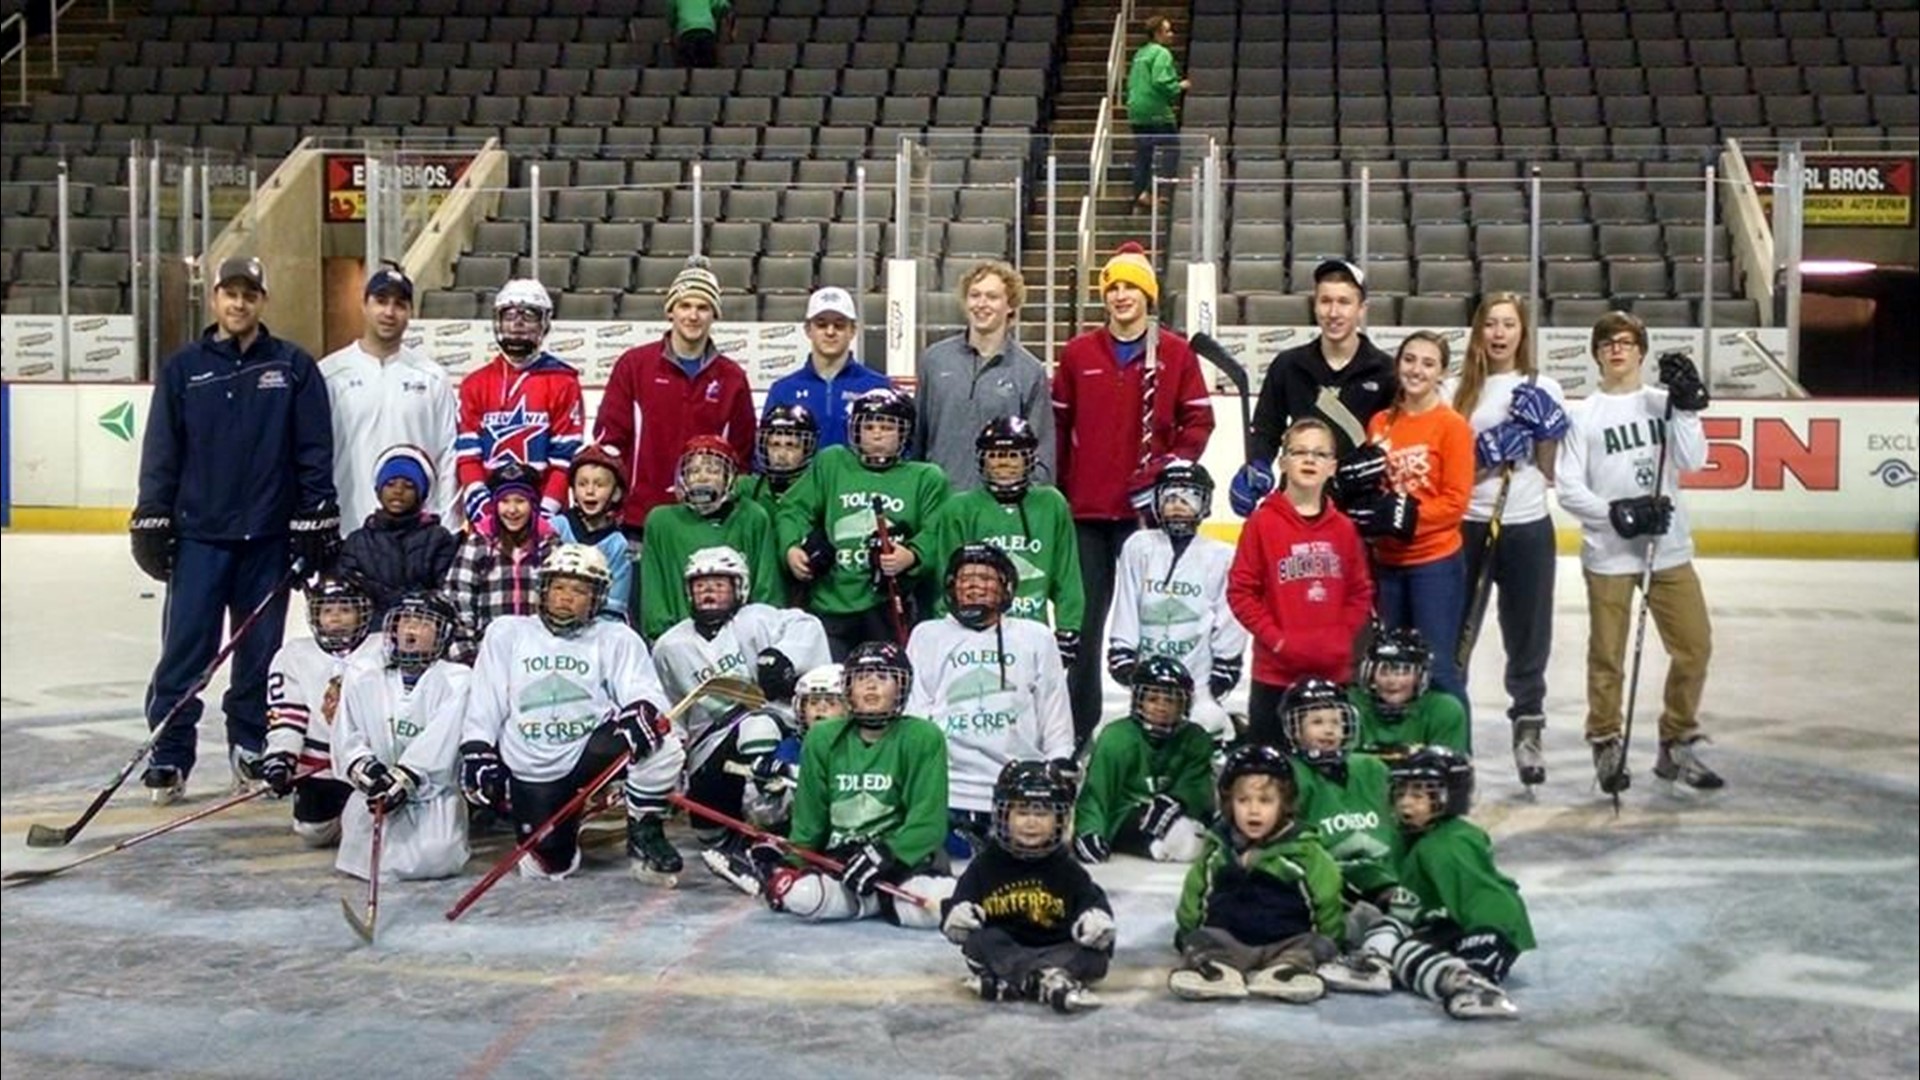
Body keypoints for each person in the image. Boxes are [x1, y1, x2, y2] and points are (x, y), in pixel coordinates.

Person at [130, 255, 341, 803]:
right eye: (231, 293)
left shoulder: (293, 367)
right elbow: (162, 451)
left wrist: (316, 511)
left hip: (267, 540)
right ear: (215, 298)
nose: (239, 303)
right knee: (185, 651)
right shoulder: (184, 369)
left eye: (250, 294)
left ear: (262, 300)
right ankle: (170, 752)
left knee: (258, 653)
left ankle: (249, 742)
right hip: (199, 537)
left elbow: (313, 450)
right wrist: (152, 512)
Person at [1052, 242, 1215, 748]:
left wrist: (1167, 471)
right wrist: (1060, 492)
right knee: (1084, 627)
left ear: (1149, 295)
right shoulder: (1079, 353)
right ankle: (1078, 730)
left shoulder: (1175, 353)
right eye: (1113, 287)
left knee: (1153, 622)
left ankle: (1157, 723)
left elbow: (1199, 421)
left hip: (1149, 517)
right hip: (1087, 514)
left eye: (1132, 287)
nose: (1121, 295)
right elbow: (1057, 428)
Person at [1555, 312, 1721, 793]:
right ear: (1596, 353)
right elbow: (1568, 487)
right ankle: (1605, 739)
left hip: (1667, 549)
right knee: (1607, 655)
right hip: (1609, 553)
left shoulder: (1662, 404)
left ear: (1641, 352)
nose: (1617, 349)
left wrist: (1687, 409)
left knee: (1694, 647)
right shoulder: (1582, 415)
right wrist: (1616, 514)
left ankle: (1677, 739)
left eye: (1627, 342)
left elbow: (1693, 460)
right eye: (1608, 342)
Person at [460, 544, 686, 882]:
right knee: (549, 865)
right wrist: (477, 749)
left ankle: (643, 826)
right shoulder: (507, 632)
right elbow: (486, 698)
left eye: (579, 590)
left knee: (661, 743)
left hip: (589, 751)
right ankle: (581, 818)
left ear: (597, 598)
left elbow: (644, 691)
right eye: (559, 587)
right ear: (544, 589)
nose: (566, 597)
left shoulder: (615, 637)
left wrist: (641, 708)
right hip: (531, 763)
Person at [1446, 293, 1568, 784]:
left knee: (1528, 634)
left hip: (1527, 526)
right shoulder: (1453, 392)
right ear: (1478, 331)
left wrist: (1547, 433)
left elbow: (1550, 471)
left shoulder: (1544, 386)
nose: (1499, 334)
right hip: (1466, 526)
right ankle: (1452, 733)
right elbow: (1448, 474)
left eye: (1509, 324)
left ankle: (1528, 728)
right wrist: (1484, 455)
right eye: (1490, 324)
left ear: (1523, 332)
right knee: (1456, 635)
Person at [755, 642, 955, 929]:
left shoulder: (923, 737)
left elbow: (928, 824)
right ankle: (876, 901)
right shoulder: (822, 738)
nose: (871, 685)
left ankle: (871, 900)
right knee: (802, 897)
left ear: (901, 687)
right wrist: (790, 865)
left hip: (904, 862)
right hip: (843, 861)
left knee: (943, 904)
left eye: (883, 677)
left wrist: (888, 855)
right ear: (848, 689)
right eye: (861, 678)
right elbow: (810, 822)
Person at [651, 546, 829, 847]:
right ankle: (733, 835)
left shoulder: (756, 619)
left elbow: (807, 625)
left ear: (740, 588)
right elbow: (670, 708)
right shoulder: (670, 646)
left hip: (776, 730)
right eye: (700, 585)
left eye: (718, 584)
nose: (708, 591)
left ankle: (771, 814)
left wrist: (783, 657)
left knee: (757, 726)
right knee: (710, 834)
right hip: (710, 745)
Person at [905, 543, 1073, 853]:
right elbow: (915, 718)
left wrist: (1059, 763)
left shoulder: (1036, 636)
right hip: (948, 790)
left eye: (985, 579)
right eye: (965, 579)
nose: (974, 587)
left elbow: (1054, 711)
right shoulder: (927, 635)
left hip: (1019, 792)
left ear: (1006, 587)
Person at [1352, 331, 1477, 725]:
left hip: (1434, 565)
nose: (1416, 370)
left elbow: (1455, 503)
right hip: (1387, 563)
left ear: (1442, 372)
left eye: (1428, 363)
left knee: (1436, 667)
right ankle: (1406, 747)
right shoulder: (1380, 422)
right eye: (1409, 359)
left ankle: (1456, 752)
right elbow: (1376, 489)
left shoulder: (1452, 426)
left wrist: (1406, 519)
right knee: (1394, 667)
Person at [1226, 419, 1374, 748]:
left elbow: (1360, 591)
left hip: (1331, 673)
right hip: (1275, 674)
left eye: (1320, 454)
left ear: (1332, 467)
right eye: (1299, 452)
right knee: (1270, 768)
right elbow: (1241, 592)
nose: (1310, 460)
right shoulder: (1262, 524)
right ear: (1283, 462)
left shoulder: (1343, 529)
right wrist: (1275, 639)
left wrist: (1342, 636)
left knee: (1327, 766)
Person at [1355, 746, 1532, 1019]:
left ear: (1452, 797)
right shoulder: (1413, 836)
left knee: (1409, 951)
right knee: (1387, 926)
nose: (1405, 803)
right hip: (1449, 922)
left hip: (1489, 928)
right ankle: (1377, 964)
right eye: (1401, 793)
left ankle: (1470, 983)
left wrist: (1485, 944)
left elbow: (1485, 896)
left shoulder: (1449, 845)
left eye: (1418, 795)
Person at [777, 388, 950, 657]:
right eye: (868, 427)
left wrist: (913, 555)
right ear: (855, 430)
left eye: (887, 427)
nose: (877, 434)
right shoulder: (832, 462)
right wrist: (791, 546)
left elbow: (937, 530)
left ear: (904, 432)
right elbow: (793, 509)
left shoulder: (926, 477)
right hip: (830, 600)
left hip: (887, 604)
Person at [1168, 743, 1344, 1003]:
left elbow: (1327, 898)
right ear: (1228, 803)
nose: (1253, 810)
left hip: (1288, 939)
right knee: (1199, 939)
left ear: (1285, 803)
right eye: (1243, 801)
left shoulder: (1304, 851)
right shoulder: (1219, 848)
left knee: (1315, 945)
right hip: (1232, 940)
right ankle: (1217, 971)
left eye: (1265, 801)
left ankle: (1287, 971)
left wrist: (1328, 938)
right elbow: (1196, 893)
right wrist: (1188, 931)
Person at [594, 255, 756, 534]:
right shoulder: (634, 366)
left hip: (707, 520)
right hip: (640, 519)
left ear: (715, 314)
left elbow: (742, 456)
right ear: (670, 311)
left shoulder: (732, 378)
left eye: (703, 307)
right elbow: (609, 442)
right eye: (685, 305)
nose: (693, 316)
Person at [941, 760, 1114, 1013]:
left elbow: (1091, 902)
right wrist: (958, 916)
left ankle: (1017, 982)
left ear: (1060, 818)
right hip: (1006, 949)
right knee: (982, 942)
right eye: (1022, 813)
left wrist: (1095, 921)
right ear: (1003, 815)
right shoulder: (986, 864)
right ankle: (1046, 981)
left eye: (1042, 814)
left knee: (1095, 959)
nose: (1031, 822)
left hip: (1055, 950)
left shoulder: (1067, 868)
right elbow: (959, 903)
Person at [1234, 260, 1398, 516]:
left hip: (1359, 510)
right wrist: (1258, 464)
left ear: (1361, 309)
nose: (1333, 312)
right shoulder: (1288, 365)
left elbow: (1397, 441)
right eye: (1325, 301)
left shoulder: (1386, 372)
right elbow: (1266, 430)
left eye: (1344, 302)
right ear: (1315, 305)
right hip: (1296, 506)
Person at [332, 590, 471, 881]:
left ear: (443, 634)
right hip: (374, 794)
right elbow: (346, 732)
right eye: (405, 621)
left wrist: (407, 776)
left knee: (435, 855)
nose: (410, 630)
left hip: (430, 796)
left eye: (423, 623)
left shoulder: (458, 680)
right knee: (361, 856)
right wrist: (366, 770)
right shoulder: (363, 673)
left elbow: (442, 739)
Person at [919, 417, 1083, 661]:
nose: (1003, 463)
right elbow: (948, 578)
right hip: (975, 633)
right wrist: (948, 628)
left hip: (1032, 633)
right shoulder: (959, 508)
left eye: (1013, 455)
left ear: (1029, 459)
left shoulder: (1051, 504)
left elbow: (1067, 576)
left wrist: (1069, 627)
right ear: (982, 460)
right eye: (995, 455)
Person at [1108, 460, 1247, 743]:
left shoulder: (1221, 557)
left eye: (1189, 497)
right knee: (1125, 737)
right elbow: (1127, 604)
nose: (1177, 505)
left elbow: (1229, 615)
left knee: (1209, 725)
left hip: (1198, 685)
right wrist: (1122, 649)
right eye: (1169, 497)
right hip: (1147, 685)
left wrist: (1226, 661)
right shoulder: (1139, 546)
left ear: (1205, 504)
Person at [321, 264, 459, 530]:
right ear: (364, 305)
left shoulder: (432, 377)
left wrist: (448, 528)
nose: (389, 312)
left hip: (416, 536)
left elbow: (447, 456)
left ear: (410, 313)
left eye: (400, 304)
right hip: (348, 528)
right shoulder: (329, 374)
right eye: (381, 301)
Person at [702, 662, 847, 893]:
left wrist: (794, 774)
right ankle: (765, 863)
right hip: (802, 834)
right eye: (812, 702)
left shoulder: (858, 748)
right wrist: (770, 789)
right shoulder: (791, 747)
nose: (820, 709)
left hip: (844, 833)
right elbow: (763, 813)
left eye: (830, 702)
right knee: (769, 823)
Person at [259, 577, 383, 846]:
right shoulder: (294, 654)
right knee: (313, 832)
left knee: (374, 828)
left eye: (345, 609)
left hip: (371, 761)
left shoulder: (382, 649)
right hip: (320, 767)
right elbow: (287, 716)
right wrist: (281, 758)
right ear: (315, 615)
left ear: (362, 612)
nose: (336, 617)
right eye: (327, 610)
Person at [912, 262, 1056, 490]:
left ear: (1010, 305)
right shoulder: (934, 360)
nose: (981, 304)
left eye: (992, 297)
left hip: (998, 504)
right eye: (975, 295)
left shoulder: (1030, 372)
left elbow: (1041, 453)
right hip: (939, 501)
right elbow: (916, 440)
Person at [454, 278, 584, 527]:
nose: (517, 323)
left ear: (545, 323)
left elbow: (564, 459)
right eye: (509, 315)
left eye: (529, 315)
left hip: (544, 516)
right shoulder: (474, 384)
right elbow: (468, 456)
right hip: (489, 515)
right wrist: (484, 513)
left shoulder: (563, 382)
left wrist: (544, 516)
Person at [637, 437, 783, 641]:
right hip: (682, 642)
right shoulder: (661, 522)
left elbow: (767, 588)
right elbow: (654, 593)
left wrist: (760, 635)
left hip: (742, 641)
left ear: (729, 477)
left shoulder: (752, 516)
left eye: (713, 470)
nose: (702, 477)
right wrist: (663, 638)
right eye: (693, 471)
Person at [1072, 658, 1215, 865]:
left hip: (1175, 816)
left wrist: (1178, 800)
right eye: (1153, 699)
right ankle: (1146, 843)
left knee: (1196, 841)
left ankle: (1157, 842)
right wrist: (1089, 831)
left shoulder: (1195, 738)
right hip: (1127, 816)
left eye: (1170, 701)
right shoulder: (1117, 738)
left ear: (1184, 704)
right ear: (1138, 700)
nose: (1161, 707)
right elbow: (1097, 793)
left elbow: (1198, 787)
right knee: (1186, 843)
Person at [1278, 679, 1403, 908]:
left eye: (1336, 722)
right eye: (1317, 722)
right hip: (1325, 883)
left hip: (1387, 876)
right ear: (1295, 729)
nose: (1329, 730)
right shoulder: (1289, 775)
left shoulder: (1371, 768)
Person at [444, 461, 560, 664]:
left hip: (539, 657)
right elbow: (458, 600)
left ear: (533, 504)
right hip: (487, 656)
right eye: (504, 501)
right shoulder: (478, 543)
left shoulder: (549, 545)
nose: (512, 510)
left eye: (520, 501)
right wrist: (469, 657)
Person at [334, 443, 460, 619]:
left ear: (421, 493)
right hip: (370, 630)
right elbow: (349, 595)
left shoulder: (438, 539)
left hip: (419, 627)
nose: (398, 491)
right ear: (378, 490)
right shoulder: (357, 541)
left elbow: (445, 592)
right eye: (390, 484)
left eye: (409, 486)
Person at [762, 287, 892, 452]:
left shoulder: (878, 387)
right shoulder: (783, 390)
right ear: (808, 330)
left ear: (853, 330)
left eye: (839, 325)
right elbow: (765, 450)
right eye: (821, 324)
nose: (830, 332)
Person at [1351, 628, 1469, 760]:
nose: (1392, 681)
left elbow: (1449, 766)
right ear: (1370, 675)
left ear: (1420, 677)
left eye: (1403, 672)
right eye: (1383, 671)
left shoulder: (1444, 710)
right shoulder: (1352, 705)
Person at [551, 443, 634, 625]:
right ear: (573, 490)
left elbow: (616, 602)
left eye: (599, 484)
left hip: (597, 627)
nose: (589, 491)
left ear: (616, 493)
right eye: (582, 484)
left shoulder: (617, 545)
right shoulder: (556, 528)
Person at [1125, 14, 1189, 212]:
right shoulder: (1162, 53)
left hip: (1136, 109)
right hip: (1155, 108)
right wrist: (1178, 86)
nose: (1171, 34)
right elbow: (1160, 80)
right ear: (1157, 34)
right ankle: (1162, 192)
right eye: (1167, 31)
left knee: (1143, 153)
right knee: (1172, 147)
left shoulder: (1140, 54)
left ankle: (1140, 193)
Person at [735, 403, 819, 522]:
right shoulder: (746, 488)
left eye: (790, 445)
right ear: (765, 448)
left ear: (806, 450)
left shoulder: (818, 491)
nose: (781, 454)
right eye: (775, 445)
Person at [671, 0, 730, 68]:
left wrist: (673, 25)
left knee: (687, 66)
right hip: (706, 30)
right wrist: (717, 17)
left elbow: (671, 13)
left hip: (686, 31)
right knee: (707, 68)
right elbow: (722, 5)